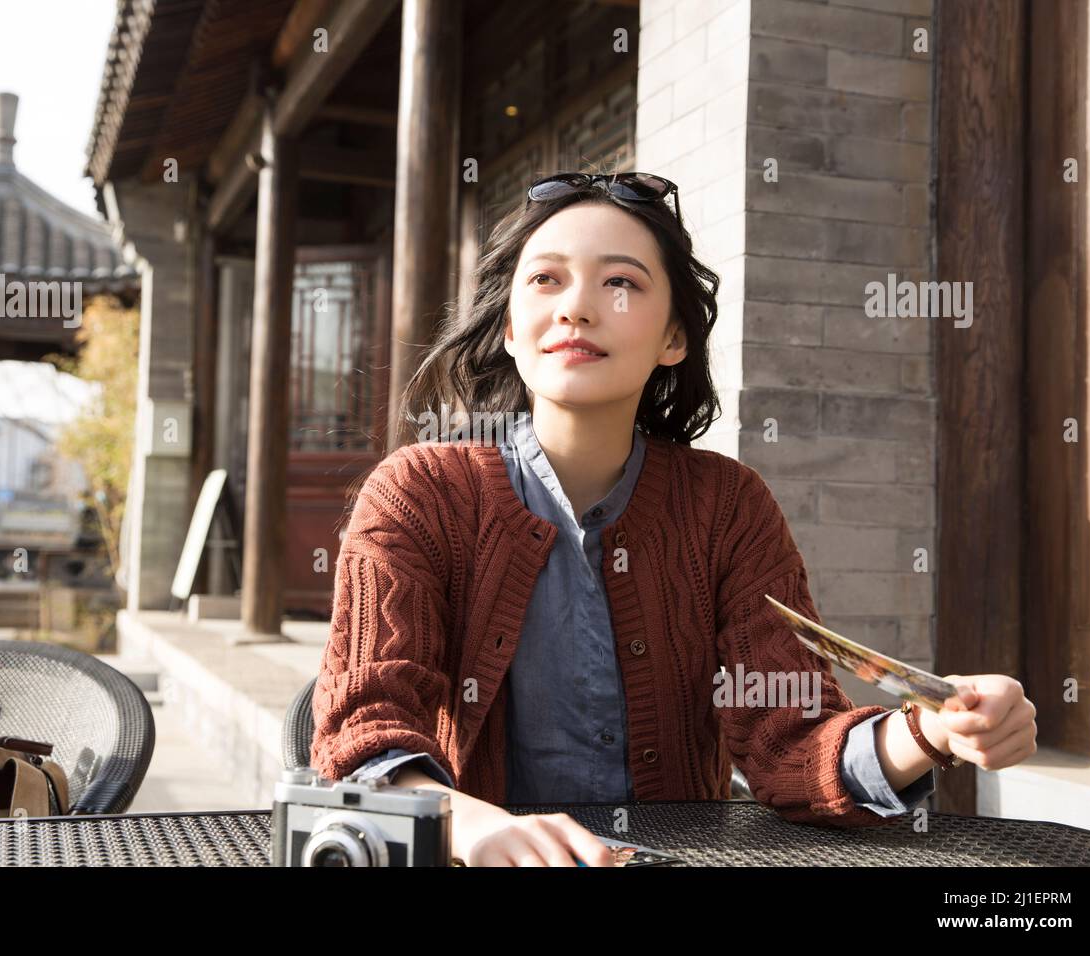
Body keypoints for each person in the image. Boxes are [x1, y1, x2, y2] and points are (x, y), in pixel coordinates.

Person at [310, 171, 1038, 867]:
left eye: (620, 281)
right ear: (507, 327)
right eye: (546, 279)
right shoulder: (417, 493)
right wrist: (472, 825)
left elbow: (791, 740)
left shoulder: (727, 506)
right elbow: (365, 730)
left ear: (673, 339)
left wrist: (934, 730)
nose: (576, 307)